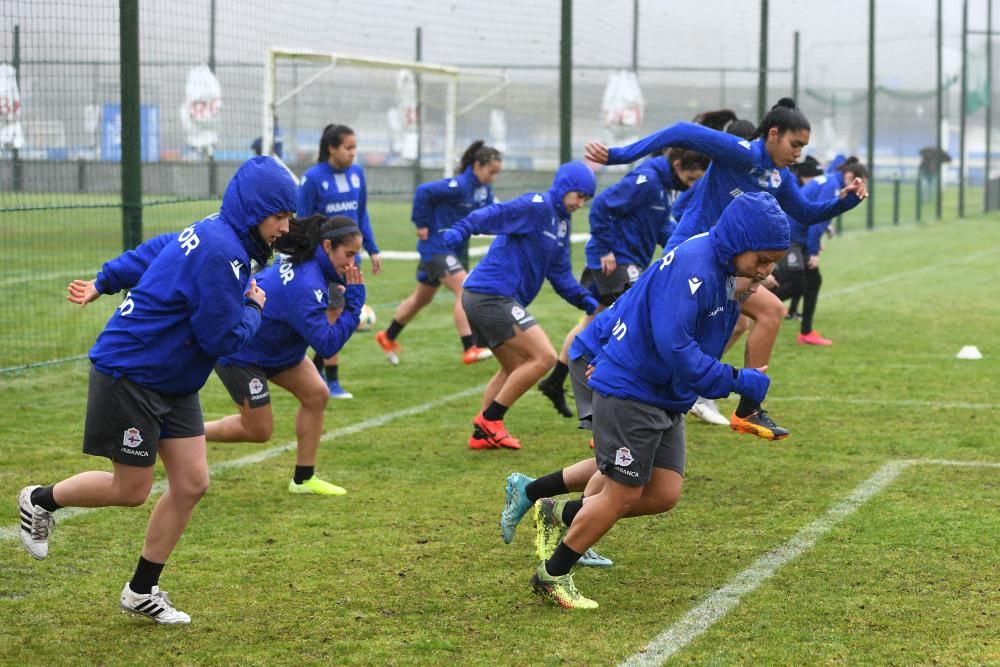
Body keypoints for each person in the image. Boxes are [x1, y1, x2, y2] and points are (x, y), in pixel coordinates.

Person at [18, 156, 296, 624]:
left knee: (191, 482)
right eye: (279, 217)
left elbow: (161, 249)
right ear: (253, 212)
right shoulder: (221, 251)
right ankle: (39, 500)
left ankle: (141, 590)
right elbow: (220, 339)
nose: (285, 228)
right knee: (131, 489)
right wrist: (254, 307)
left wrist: (107, 280)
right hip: (132, 373)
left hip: (174, 380)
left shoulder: (218, 230)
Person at [524, 191, 789, 610]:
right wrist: (736, 380)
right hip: (634, 391)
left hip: (666, 396)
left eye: (773, 262)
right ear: (739, 241)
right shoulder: (695, 266)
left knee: (664, 493)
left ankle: (558, 512)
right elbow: (677, 349)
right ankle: (553, 573)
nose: (766, 270)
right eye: (761, 260)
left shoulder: (720, 262)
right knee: (622, 493)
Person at [586, 98, 867, 440]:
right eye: (795, 144)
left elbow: (806, 213)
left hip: (725, 263)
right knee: (654, 319)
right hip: (691, 255)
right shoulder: (743, 153)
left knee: (753, 317)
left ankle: (740, 407)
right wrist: (618, 156)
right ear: (773, 134)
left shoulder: (779, 176)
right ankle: (611, 386)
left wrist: (845, 200)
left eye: (803, 147)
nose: (798, 153)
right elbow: (680, 131)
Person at [536, 148, 709, 418]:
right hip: (615, 262)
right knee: (634, 324)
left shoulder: (663, 187)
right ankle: (613, 401)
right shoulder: (647, 180)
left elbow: (663, 228)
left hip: (626, 262)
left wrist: (686, 249)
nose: (691, 185)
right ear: (676, 165)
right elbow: (603, 205)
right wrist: (605, 248)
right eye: (690, 178)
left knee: (591, 324)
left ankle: (555, 381)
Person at [442, 161, 600, 450]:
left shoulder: (562, 223)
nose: (581, 203)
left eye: (586, 199)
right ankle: (490, 420)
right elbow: (496, 214)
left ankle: (481, 436)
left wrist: (583, 298)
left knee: (513, 366)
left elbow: (560, 272)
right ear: (565, 188)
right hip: (490, 294)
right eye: (579, 195)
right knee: (544, 357)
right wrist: (463, 229)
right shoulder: (538, 206)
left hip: (490, 297)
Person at [204, 215, 365, 495]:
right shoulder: (307, 283)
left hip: (277, 349)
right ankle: (181, 433)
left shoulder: (313, 264)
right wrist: (354, 306)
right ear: (327, 246)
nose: (352, 263)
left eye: (356, 255)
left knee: (317, 393)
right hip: (242, 350)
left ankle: (303, 480)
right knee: (259, 430)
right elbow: (327, 345)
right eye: (349, 254)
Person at [374, 141, 502, 366]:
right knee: (465, 288)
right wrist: (421, 223)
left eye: (496, 174)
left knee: (421, 299)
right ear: (477, 166)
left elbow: (489, 214)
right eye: (491, 172)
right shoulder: (459, 185)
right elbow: (424, 192)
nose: (493, 178)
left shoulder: (484, 190)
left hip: (451, 249)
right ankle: (469, 347)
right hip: (436, 246)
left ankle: (388, 336)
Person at [298, 124, 381, 399]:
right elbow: (303, 221)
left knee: (335, 312)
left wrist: (372, 248)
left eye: (355, 148)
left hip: (351, 259)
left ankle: (320, 374)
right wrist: (308, 258)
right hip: (324, 260)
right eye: (348, 148)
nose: (353, 154)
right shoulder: (313, 179)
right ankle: (330, 382)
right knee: (333, 314)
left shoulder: (357, 174)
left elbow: (362, 214)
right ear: (332, 148)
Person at [773, 157, 869, 346]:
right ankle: (747, 307)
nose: (859, 188)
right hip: (789, 235)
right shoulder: (833, 186)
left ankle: (806, 333)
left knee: (811, 281)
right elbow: (817, 223)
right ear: (849, 176)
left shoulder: (831, 180)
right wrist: (814, 252)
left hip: (798, 237)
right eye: (859, 183)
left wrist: (813, 244)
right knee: (794, 282)